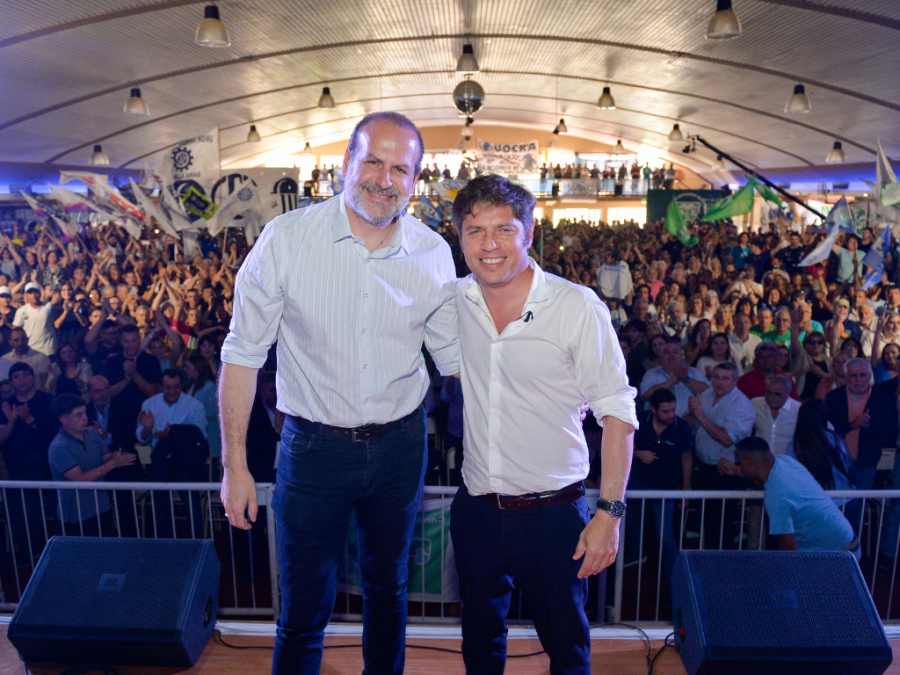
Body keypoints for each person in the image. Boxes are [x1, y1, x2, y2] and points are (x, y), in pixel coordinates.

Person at [218, 112, 460, 675]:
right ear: (345, 164)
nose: (384, 178)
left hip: (402, 446)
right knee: (303, 607)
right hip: (313, 450)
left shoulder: (432, 252)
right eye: (372, 161)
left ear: (415, 179)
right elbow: (242, 354)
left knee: (389, 591)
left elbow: (459, 361)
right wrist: (236, 464)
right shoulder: (287, 239)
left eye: (400, 168)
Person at [448, 174, 637, 675]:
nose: (490, 245)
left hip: (553, 516)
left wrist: (609, 515)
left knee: (567, 649)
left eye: (504, 230)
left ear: (529, 233)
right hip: (476, 512)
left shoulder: (576, 307)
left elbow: (617, 412)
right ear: (459, 238)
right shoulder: (455, 301)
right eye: (475, 231)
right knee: (479, 644)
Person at [735, 437, 859, 560]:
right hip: (846, 545)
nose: (740, 466)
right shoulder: (785, 462)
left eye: (740, 463)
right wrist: (737, 471)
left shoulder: (776, 496)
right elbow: (763, 478)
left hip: (837, 556)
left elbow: (789, 548)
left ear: (750, 463)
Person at [625, 389, 691, 592]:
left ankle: (675, 581)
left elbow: (687, 459)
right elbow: (621, 445)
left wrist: (685, 492)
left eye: (673, 409)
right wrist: (637, 453)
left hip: (666, 487)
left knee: (665, 536)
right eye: (666, 411)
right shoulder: (638, 421)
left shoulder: (682, 428)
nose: (671, 415)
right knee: (630, 524)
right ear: (653, 410)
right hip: (636, 482)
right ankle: (634, 558)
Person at [47, 393, 136, 536]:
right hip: (76, 513)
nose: (85, 418)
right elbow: (79, 479)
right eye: (78, 415)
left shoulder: (92, 434)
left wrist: (117, 458)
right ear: (64, 419)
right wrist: (112, 464)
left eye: (85, 413)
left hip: (101, 506)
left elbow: (107, 458)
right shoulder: (59, 446)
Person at [688, 362, 755, 550]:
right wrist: (692, 414)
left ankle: (722, 571)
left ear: (735, 381)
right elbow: (692, 424)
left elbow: (726, 439)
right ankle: (705, 566)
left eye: (725, 378)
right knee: (705, 521)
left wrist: (700, 416)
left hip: (725, 473)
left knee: (722, 526)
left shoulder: (742, 405)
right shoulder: (706, 395)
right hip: (703, 468)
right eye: (716, 377)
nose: (719, 382)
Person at [824, 358, 898, 491]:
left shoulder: (883, 400)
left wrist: (868, 425)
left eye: (863, 375)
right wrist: (852, 425)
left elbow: (889, 434)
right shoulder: (833, 398)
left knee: (860, 506)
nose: (858, 380)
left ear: (870, 376)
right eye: (854, 375)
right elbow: (826, 430)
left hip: (866, 464)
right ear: (846, 377)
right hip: (837, 463)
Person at [640, 338, 709, 417]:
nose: (671, 355)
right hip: (658, 426)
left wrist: (686, 379)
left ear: (681, 355)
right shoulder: (651, 374)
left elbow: (709, 392)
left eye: (675, 352)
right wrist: (672, 381)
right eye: (667, 352)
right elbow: (645, 396)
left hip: (690, 425)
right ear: (661, 356)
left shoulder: (694, 372)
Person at [246, 370, 282, 484]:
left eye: (278, 390)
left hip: (285, 470)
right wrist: (276, 430)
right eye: (272, 390)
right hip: (263, 471)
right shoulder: (253, 414)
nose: (276, 394)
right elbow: (255, 445)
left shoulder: (288, 411)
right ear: (261, 391)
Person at [751, 375, 799, 457]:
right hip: (761, 462)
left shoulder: (798, 410)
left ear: (788, 394)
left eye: (777, 394)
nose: (771, 397)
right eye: (768, 392)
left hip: (787, 464)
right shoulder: (755, 404)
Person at [13, 281, 56, 357]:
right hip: (31, 351)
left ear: (40, 293)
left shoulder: (49, 306)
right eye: (30, 293)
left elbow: (55, 325)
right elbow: (16, 330)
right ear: (25, 295)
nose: (34, 295)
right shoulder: (21, 311)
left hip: (49, 350)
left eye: (36, 292)